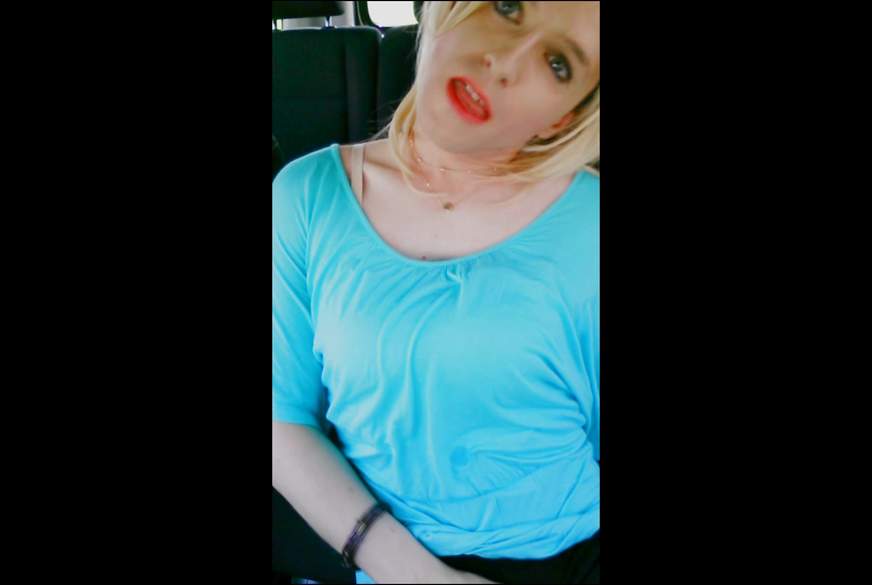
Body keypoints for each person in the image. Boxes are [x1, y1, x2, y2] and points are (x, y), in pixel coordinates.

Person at [273, 2, 600, 583]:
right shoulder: (305, 197)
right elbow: (281, 420)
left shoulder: (591, 223)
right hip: (386, 559)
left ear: (561, 118)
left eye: (557, 64)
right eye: (507, 6)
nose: (507, 63)